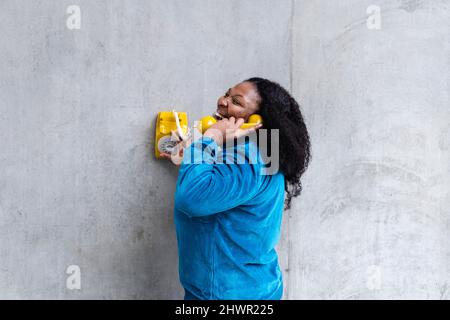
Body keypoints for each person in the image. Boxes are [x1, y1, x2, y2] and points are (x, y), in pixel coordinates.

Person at [160, 77, 311, 300]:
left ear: (257, 121)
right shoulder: (264, 151)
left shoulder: (248, 160)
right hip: (248, 288)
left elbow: (192, 198)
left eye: (237, 102)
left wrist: (211, 136)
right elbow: (225, 186)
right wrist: (196, 151)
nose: (222, 101)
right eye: (227, 94)